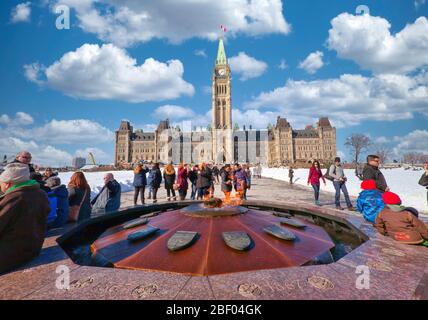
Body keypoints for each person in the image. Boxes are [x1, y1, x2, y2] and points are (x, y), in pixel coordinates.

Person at [0, 163, 50, 274]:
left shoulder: (14, 198)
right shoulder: (40, 194)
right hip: (32, 248)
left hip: (9, 254)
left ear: (7, 184)